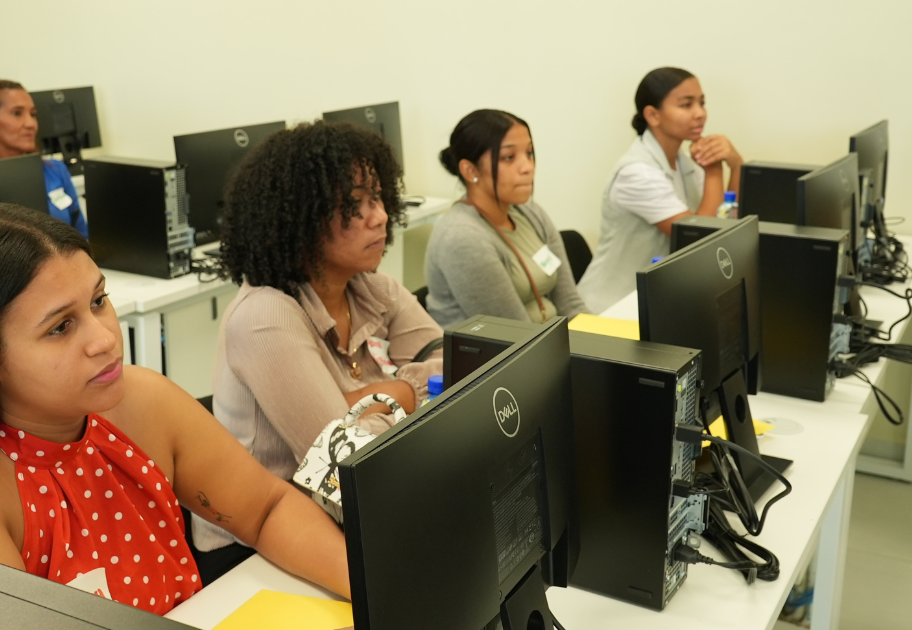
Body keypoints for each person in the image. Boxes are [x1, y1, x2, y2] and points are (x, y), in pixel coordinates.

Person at [0, 203, 349, 612]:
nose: (104, 339)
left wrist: (376, 593)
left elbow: (264, 510)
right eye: (59, 327)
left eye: (97, 301)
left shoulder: (139, 402)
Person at [197, 120, 443, 567]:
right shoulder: (265, 316)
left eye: (378, 198)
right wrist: (407, 395)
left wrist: (366, 401)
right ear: (302, 217)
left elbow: (452, 365)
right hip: (261, 548)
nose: (381, 215)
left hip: (353, 509)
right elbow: (343, 468)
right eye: (356, 205)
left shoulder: (370, 287)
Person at [578, 67, 744, 314]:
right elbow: (701, 242)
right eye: (686, 105)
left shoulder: (682, 161)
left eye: (702, 103)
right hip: (612, 309)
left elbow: (725, 219)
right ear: (653, 115)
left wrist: (737, 165)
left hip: (656, 300)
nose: (700, 113)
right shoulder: (636, 173)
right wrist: (714, 170)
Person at [426, 109, 588, 328]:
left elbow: (571, 305)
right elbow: (514, 337)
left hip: (548, 343)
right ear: (470, 170)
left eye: (529, 153)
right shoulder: (463, 237)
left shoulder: (530, 212)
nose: (528, 167)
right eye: (509, 158)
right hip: (500, 357)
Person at [0, 80, 87, 238]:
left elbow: (82, 235)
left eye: (33, 114)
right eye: (17, 113)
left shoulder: (55, 170)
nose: (31, 124)